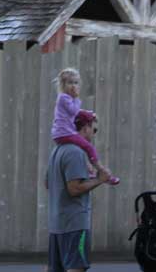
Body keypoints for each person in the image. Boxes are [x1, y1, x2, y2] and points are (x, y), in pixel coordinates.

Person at [46, 110, 110, 272]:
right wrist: (99, 180)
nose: (93, 135)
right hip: (74, 223)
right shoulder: (76, 152)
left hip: (57, 224)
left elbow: (48, 183)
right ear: (86, 127)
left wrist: (87, 177)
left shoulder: (58, 150)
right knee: (76, 268)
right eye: (94, 130)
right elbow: (74, 189)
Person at [50, 68, 119, 185]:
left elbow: (76, 111)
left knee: (81, 149)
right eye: (70, 83)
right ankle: (102, 172)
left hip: (61, 133)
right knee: (89, 147)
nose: (73, 86)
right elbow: (74, 111)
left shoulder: (66, 99)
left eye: (76, 83)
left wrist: (90, 114)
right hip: (65, 133)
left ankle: (89, 170)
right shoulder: (64, 98)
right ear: (63, 85)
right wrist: (77, 98)